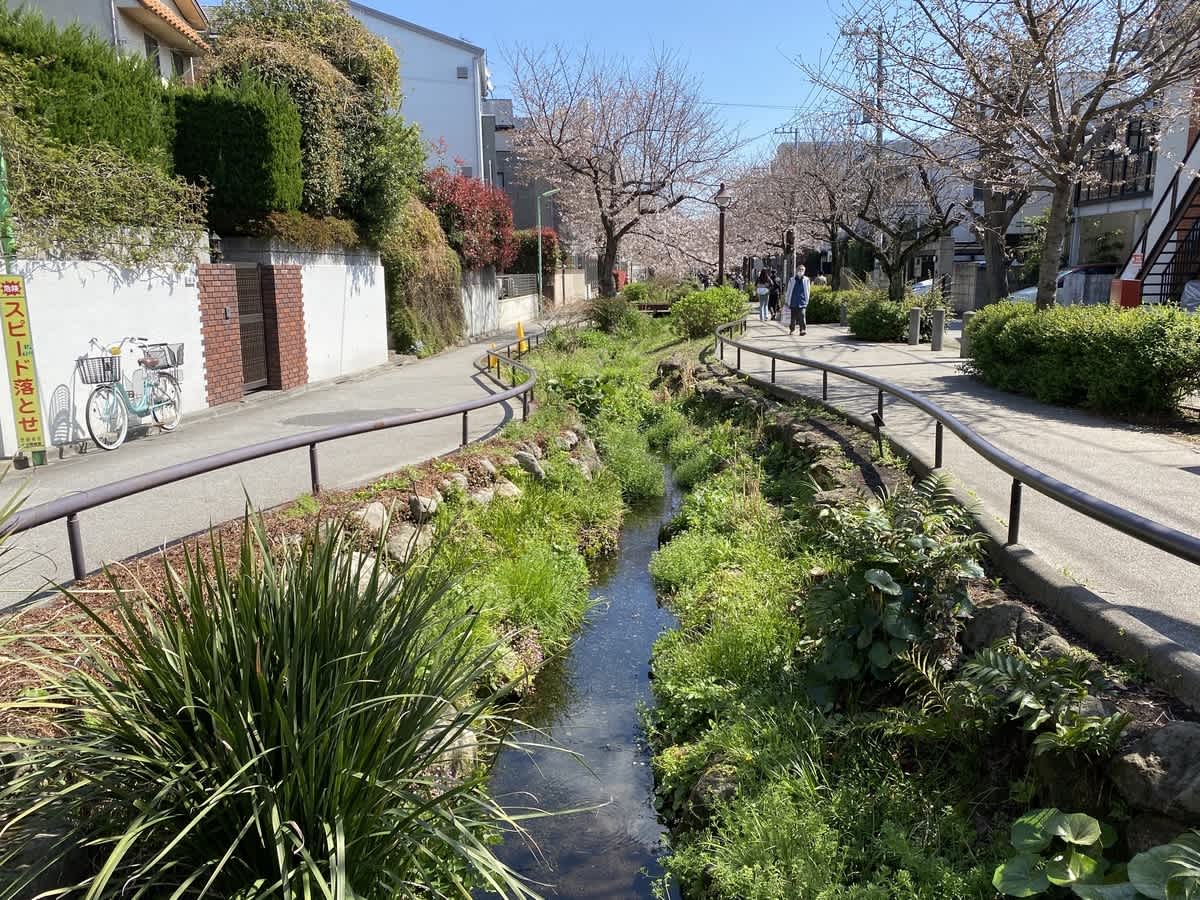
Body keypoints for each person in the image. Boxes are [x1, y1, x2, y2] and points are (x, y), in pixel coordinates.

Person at [785, 264, 811, 335]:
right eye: (799, 269)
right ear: (796, 270)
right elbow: (788, 290)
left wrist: (807, 300)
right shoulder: (792, 279)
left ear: (804, 271)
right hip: (793, 301)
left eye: (802, 270)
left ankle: (802, 330)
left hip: (802, 301)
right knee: (793, 318)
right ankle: (792, 329)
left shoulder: (806, 280)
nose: (800, 271)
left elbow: (808, 291)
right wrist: (786, 300)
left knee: (802, 316)